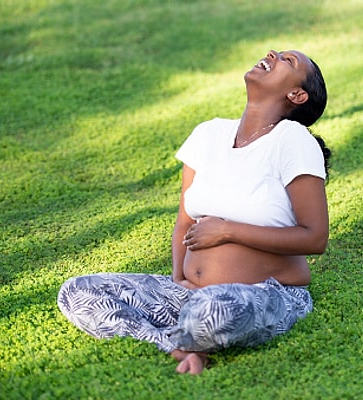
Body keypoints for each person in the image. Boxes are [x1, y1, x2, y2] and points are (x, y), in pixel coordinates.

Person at [57, 49, 331, 375]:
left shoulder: (293, 140)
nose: (273, 53)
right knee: (78, 291)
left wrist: (228, 230)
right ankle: (176, 345)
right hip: (192, 294)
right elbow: (184, 223)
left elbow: (315, 237)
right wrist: (179, 282)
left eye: (288, 60)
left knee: (213, 310)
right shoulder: (208, 134)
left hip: (265, 294)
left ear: (296, 95)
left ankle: (193, 334)